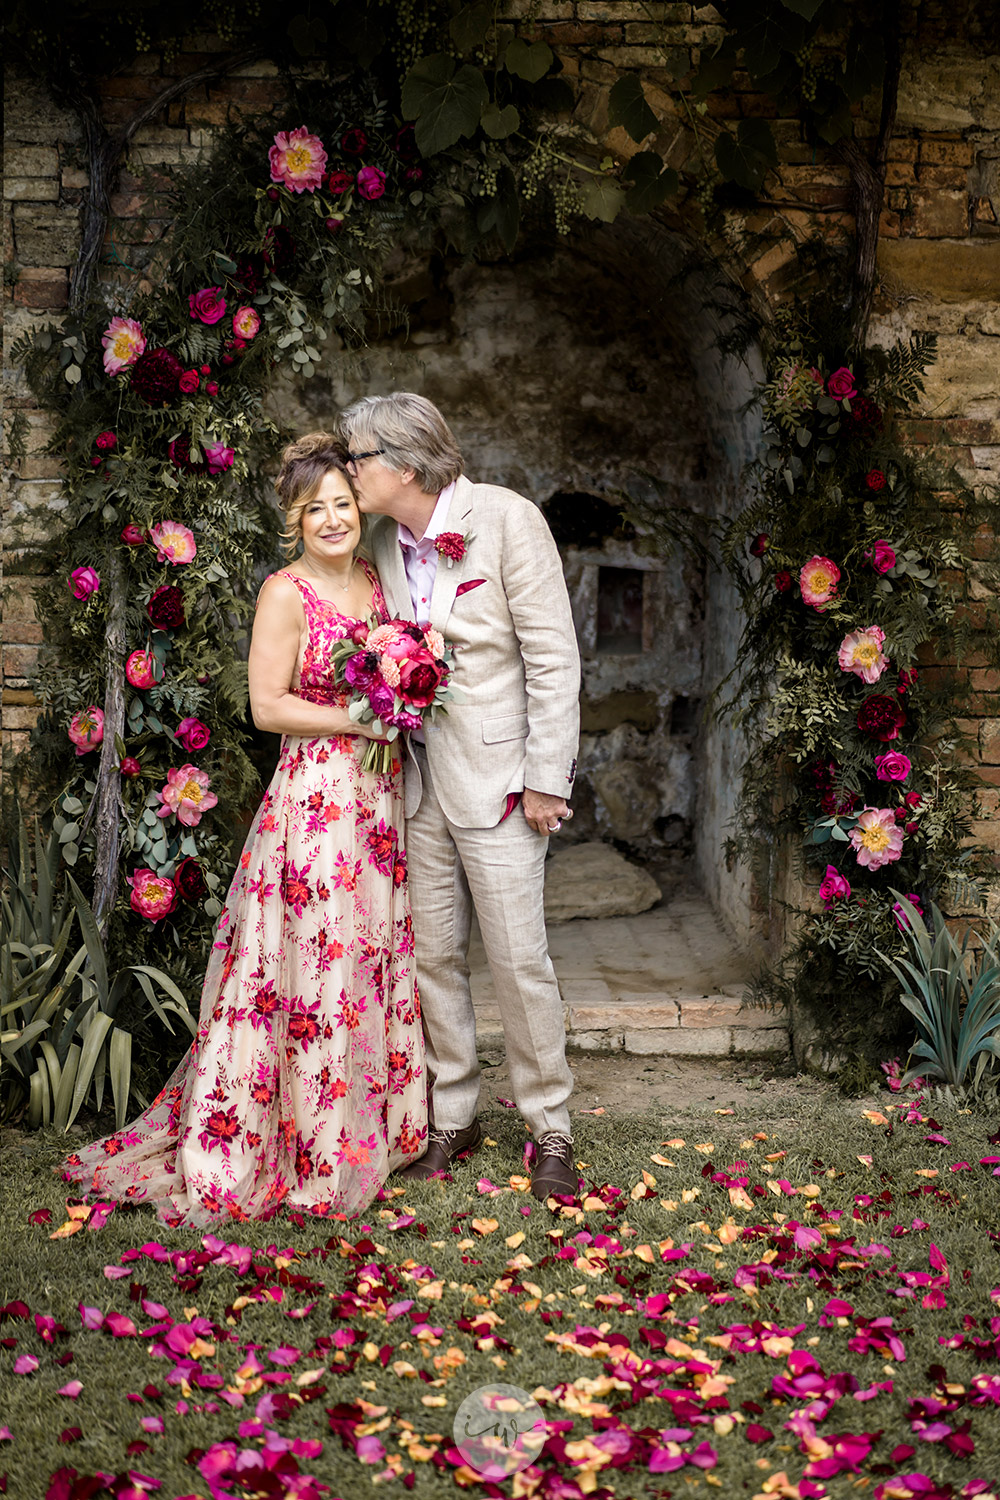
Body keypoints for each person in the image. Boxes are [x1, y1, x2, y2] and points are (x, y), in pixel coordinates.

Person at [61, 434, 427, 1224]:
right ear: (292, 519)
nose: (332, 519)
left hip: (377, 805)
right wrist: (361, 722)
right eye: (313, 509)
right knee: (315, 964)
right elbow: (267, 707)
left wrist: (399, 698)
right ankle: (304, 1145)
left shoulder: (373, 575)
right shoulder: (285, 592)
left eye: (341, 502)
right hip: (318, 803)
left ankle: (368, 1135)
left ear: (358, 506)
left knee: (366, 953)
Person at [338, 393, 582, 1200]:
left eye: (358, 457)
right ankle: (454, 1114)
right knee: (433, 956)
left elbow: (554, 658)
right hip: (413, 785)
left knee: (518, 960)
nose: (349, 470)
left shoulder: (508, 520)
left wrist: (547, 778)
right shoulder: (374, 537)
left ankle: (551, 1125)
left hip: (502, 786)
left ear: (404, 465)